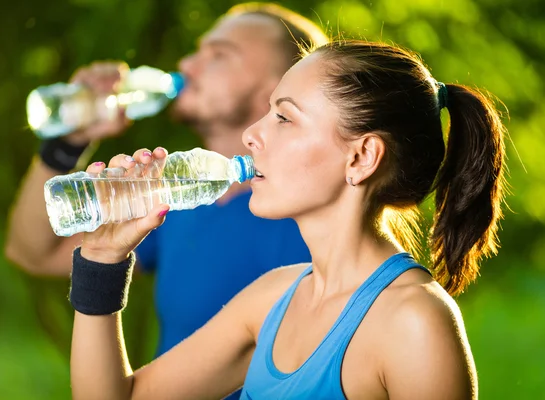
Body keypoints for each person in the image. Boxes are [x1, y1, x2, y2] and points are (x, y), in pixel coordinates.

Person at [68, 38, 507, 399]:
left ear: (361, 157)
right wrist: (103, 257)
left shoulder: (414, 324)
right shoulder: (271, 299)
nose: (251, 135)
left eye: (284, 118)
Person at [5, 5, 327, 394]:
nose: (188, 64)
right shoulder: (176, 201)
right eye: (197, 50)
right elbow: (32, 252)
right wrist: (67, 142)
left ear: (278, 89)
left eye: (219, 55)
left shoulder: (315, 221)